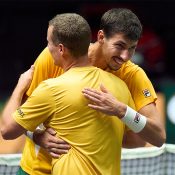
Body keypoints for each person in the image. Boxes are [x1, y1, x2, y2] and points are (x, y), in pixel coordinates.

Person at [4, 8, 166, 175]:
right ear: (101, 37)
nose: (125, 56)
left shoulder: (133, 76)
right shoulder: (57, 55)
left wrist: (122, 111)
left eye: (132, 48)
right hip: (36, 169)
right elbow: (19, 114)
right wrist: (36, 134)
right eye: (119, 46)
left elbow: (157, 137)